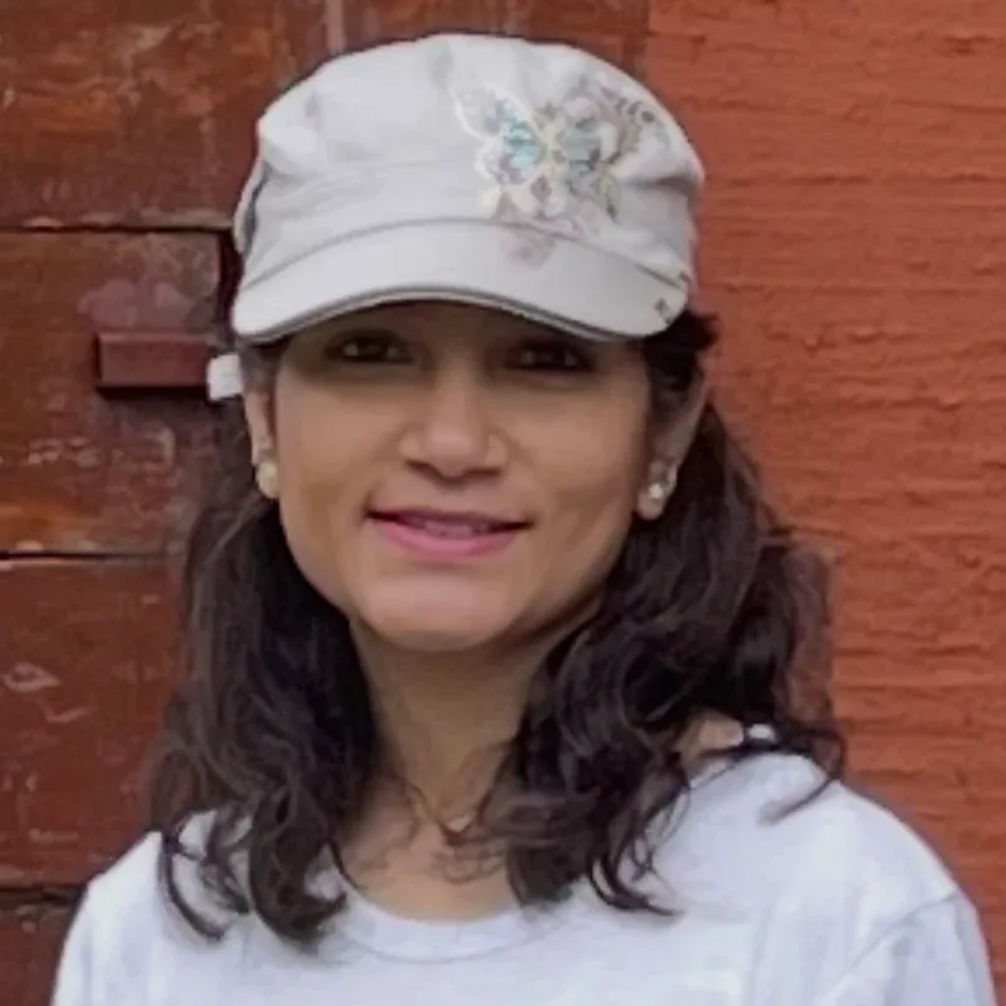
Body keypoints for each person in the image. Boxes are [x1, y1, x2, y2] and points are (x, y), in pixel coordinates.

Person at [51, 31, 996, 1006]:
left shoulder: (832, 923)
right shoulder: (161, 939)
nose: (453, 442)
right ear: (263, 413)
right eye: (371, 351)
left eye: (544, 359)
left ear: (662, 431)